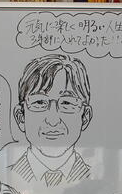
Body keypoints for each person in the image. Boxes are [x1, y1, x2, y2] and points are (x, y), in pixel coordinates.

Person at [9, 54, 93, 186]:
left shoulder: (96, 179)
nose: (53, 120)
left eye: (67, 103)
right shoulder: (5, 177)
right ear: (21, 117)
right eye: (39, 102)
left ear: (85, 117)